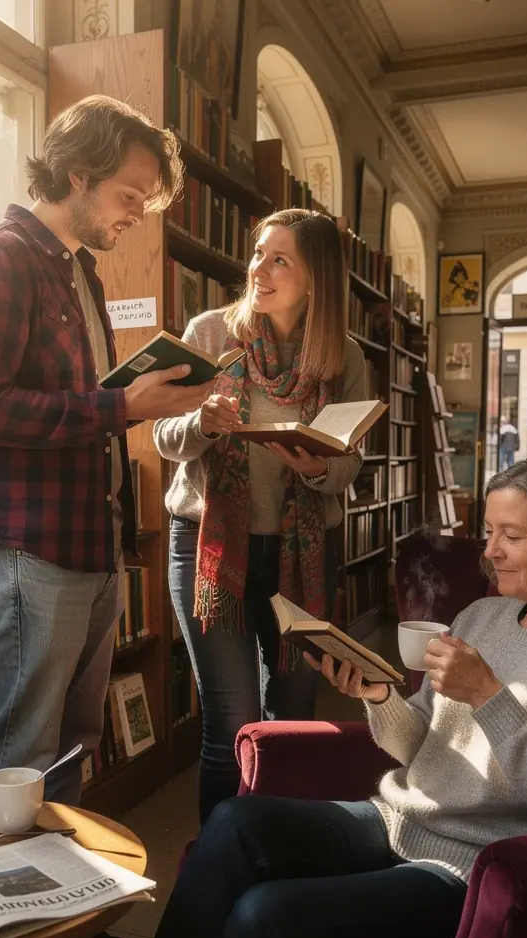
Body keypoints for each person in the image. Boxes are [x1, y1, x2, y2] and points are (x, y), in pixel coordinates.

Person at [128, 456, 527, 938]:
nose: (490, 551)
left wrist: (488, 696)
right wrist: (378, 696)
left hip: (477, 868)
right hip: (398, 820)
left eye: (512, 535)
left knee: (266, 915)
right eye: (488, 532)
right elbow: (421, 745)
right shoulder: (483, 616)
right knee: (235, 822)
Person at [0, 95, 209, 938]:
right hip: (23, 547)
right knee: (14, 761)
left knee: (63, 765)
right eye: (130, 192)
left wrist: (131, 398)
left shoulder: (78, 275)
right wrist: (121, 410)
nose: (136, 212)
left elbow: (75, 404)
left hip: (85, 547)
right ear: (79, 173)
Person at [153, 208, 367, 826]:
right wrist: (200, 423)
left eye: (280, 259)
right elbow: (164, 435)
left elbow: (349, 465)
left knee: (297, 714)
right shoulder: (212, 333)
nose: (259, 270)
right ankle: (217, 869)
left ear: (315, 278)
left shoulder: (343, 358)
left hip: (302, 552)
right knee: (231, 719)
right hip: (210, 545)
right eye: (257, 254)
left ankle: (279, 850)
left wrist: (313, 467)